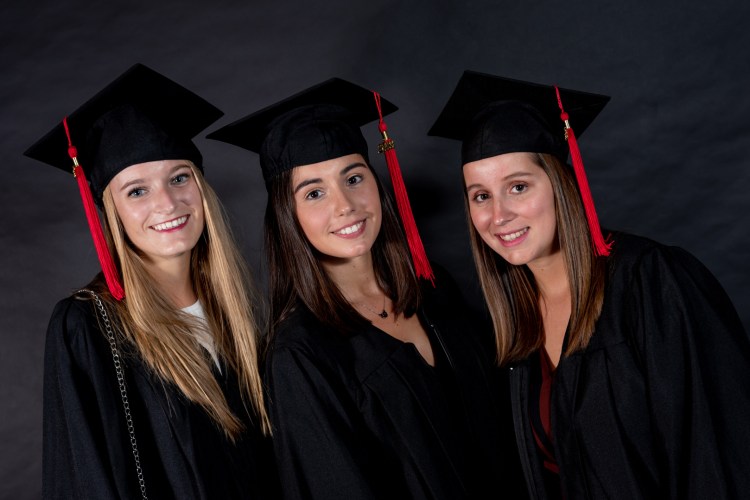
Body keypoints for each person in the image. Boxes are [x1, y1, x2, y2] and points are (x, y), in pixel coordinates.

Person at [428, 70, 750, 499]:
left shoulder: (652, 282)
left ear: (562, 184)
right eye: (481, 196)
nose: (499, 215)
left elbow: (720, 449)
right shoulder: (515, 322)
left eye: (518, 186)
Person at [207, 77, 527, 499]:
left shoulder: (434, 290)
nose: (345, 205)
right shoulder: (301, 355)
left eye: (354, 178)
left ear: (376, 183)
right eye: (314, 193)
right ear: (288, 215)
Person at [24, 63, 279, 499]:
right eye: (137, 191)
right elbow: (87, 481)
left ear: (201, 188)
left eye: (179, 178)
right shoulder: (89, 327)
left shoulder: (234, 311)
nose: (167, 203)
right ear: (111, 212)